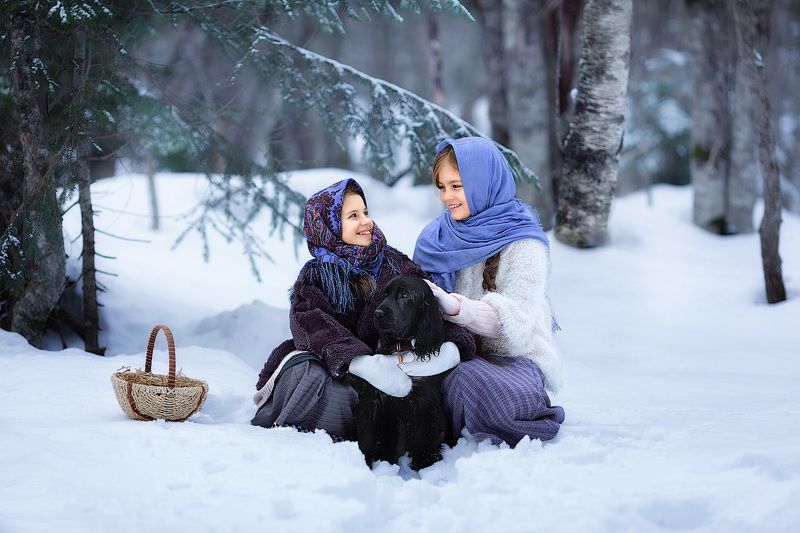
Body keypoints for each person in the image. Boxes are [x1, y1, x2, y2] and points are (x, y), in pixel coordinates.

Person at [252, 178, 476, 441]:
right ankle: (334, 428)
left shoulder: (393, 262)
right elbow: (310, 325)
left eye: (366, 213)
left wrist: (451, 347)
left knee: (434, 387)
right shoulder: (316, 277)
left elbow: (426, 304)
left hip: (396, 370)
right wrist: (362, 363)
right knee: (309, 377)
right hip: (344, 373)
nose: (365, 222)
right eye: (353, 216)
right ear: (330, 226)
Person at [413, 137, 566, 446]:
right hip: (453, 353)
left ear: (483, 181)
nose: (447, 197)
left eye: (457, 186)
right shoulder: (436, 238)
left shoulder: (523, 241)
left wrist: (455, 308)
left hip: (514, 359)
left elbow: (516, 324)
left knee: (471, 383)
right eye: (442, 187)